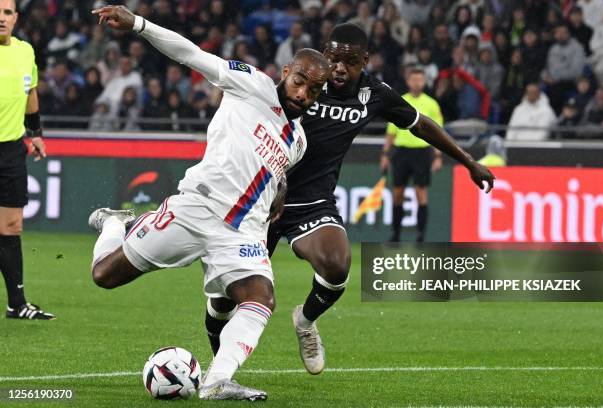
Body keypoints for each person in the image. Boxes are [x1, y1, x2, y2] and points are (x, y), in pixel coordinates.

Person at [204, 23, 493, 376]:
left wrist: (468, 162)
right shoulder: (301, 84)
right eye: (334, 58)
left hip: (312, 200)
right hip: (260, 197)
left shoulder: (375, 95)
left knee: (337, 265)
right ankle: (218, 368)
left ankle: (306, 322)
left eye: (350, 61)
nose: (339, 68)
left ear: (364, 62)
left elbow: (420, 124)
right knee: (223, 298)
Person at [90, 5, 329, 401]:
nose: (304, 93)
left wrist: (279, 192)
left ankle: (217, 381)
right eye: (300, 81)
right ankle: (116, 223)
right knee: (104, 275)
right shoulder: (251, 84)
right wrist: (139, 24)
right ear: (287, 73)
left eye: (314, 91)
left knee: (261, 298)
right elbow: (191, 54)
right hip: (195, 209)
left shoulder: (299, 142)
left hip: (242, 233)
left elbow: (274, 171)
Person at [0, 0, 54, 320]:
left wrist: (35, 133)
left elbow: (30, 93)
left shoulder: (25, 52)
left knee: (11, 226)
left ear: (16, 18)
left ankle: (17, 304)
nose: (1, 18)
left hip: (10, 150)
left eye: (7, 12)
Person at [380, 68, 444, 243]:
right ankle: (395, 235)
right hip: (401, 151)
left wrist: (438, 156)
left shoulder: (431, 104)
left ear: (424, 82)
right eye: (414, 79)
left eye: (420, 80)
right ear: (408, 81)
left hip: (422, 152)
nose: (417, 83)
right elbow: (391, 132)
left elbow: (438, 132)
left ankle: (420, 236)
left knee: (421, 193)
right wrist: (385, 154)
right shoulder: (401, 101)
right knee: (397, 193)